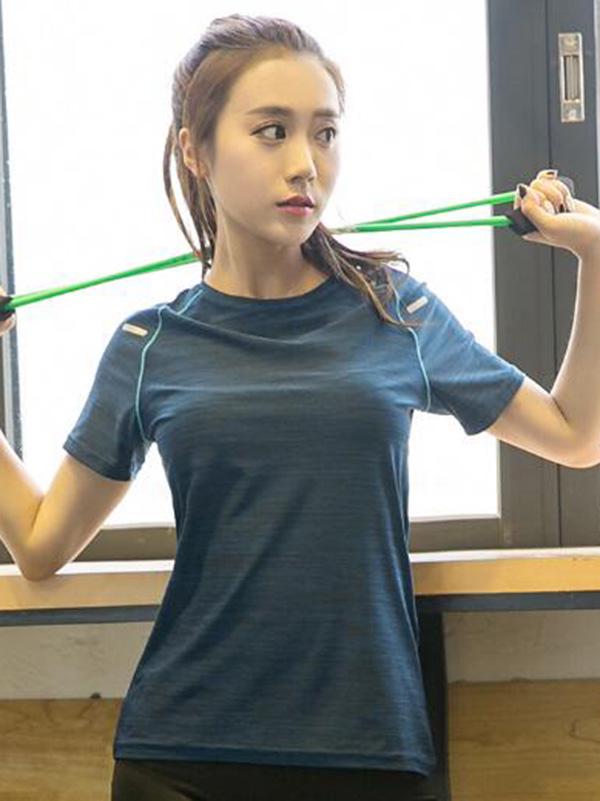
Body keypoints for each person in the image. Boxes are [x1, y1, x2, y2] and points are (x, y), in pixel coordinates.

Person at [1, 12, 590, 801]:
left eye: (326, 132)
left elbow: (576, 435)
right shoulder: (149, 344)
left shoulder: (395, 312)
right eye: (272, 131)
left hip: (371, 752)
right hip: (181, 754)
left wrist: (595, 256)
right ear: (195, 150)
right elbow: (41, 544)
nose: (306, 164)